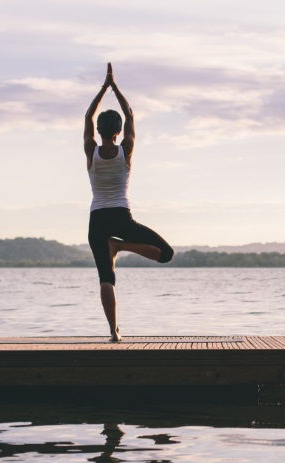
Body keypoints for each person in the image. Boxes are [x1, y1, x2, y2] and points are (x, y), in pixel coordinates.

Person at [85, 63, 174, 342]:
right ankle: (120, 245)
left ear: (98, 130)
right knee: (166, 253)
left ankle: (114, 332)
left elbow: (88, 115)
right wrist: (116, 87)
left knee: (105, 278)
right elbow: (130, 114)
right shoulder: (126, 151)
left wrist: (103, 88)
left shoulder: (92, 151)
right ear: (119, 131)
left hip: (98, 219)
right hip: (122, 218)